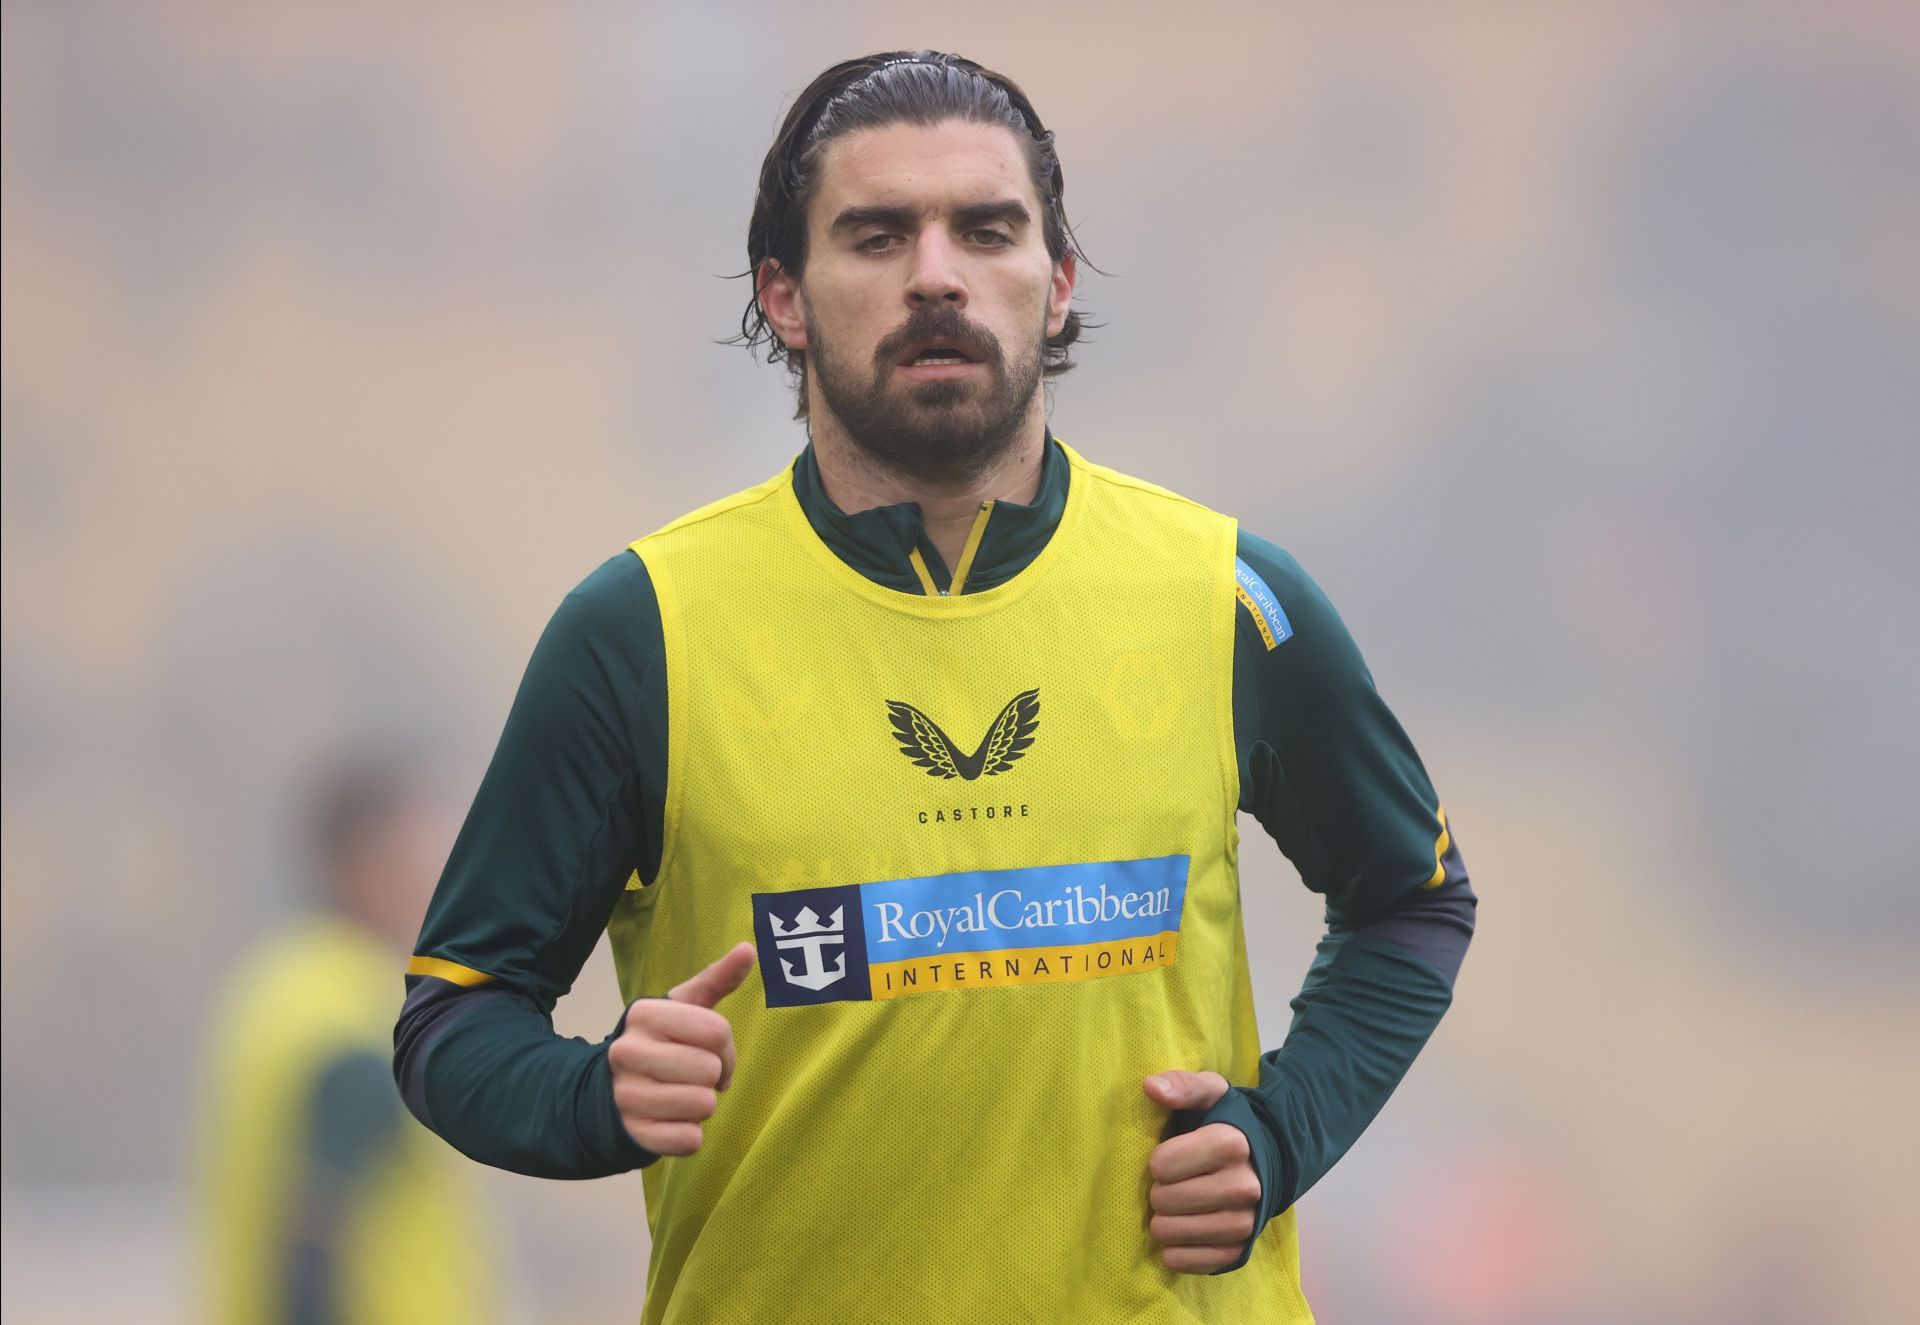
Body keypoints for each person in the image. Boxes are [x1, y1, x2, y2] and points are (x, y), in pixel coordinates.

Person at [394, 51, 1475, 1324]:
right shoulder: (641, 631)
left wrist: (1278, 1136)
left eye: (987, 229)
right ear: (784, 297)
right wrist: (593, 1096)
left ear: (1057, 285)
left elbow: (1411, 899)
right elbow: (454, 1020)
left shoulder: (1233, 597)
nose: (938, 274)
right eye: (878, 235)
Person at [199, 758, 497, 1325]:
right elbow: (310, 1248)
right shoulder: (352, 1018)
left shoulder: (278, 989)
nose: (442, 877)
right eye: (423, 850)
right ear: (368, 861)